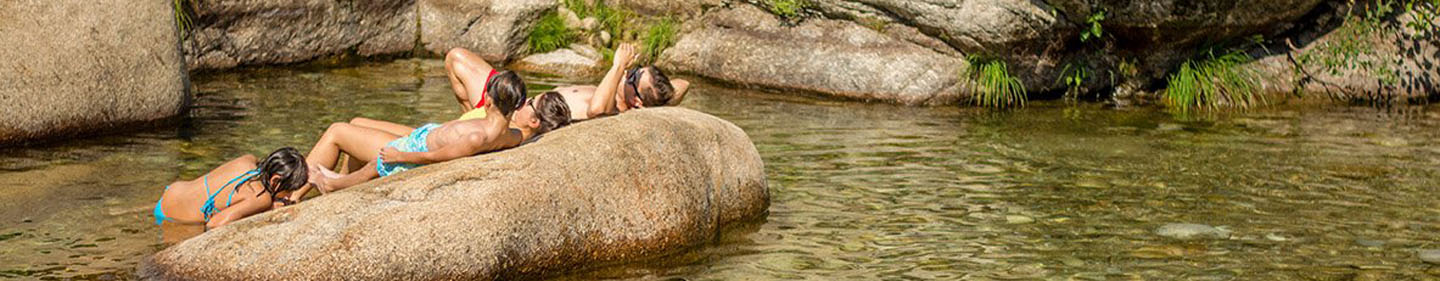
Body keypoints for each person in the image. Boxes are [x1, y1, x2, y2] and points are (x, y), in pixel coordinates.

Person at [291, 89, 572, 200]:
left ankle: (291, 195)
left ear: (534, 122)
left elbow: (453, 151)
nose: (522, 103)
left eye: (529, 103)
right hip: (429, 133)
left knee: (338, 131)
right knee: (356, 120)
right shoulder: (514, 130)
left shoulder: (512, 132)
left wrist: (404, 153)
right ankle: (345, 185)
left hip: (421, 144)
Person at [441, 43, 690, 121]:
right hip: (516, 101)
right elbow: (684, 84)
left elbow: (596, 110)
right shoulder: (618, 91)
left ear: (636, 100)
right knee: (456, 58)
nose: (629, 71)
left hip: (514, 114)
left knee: (458, 59)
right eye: (635, 69)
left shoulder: (614, 110)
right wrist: (663, 98)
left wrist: (617, 66)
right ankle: (472, 122)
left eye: (634, 76)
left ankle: (479, 128)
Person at [153, 147, 320, 229]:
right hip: (173, 217)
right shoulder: (260, 198)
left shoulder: (248, 160)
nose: (290, 194)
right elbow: (214, 224)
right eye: (290, 189)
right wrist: (267, 208)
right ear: (276, 181)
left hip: (171, 193)